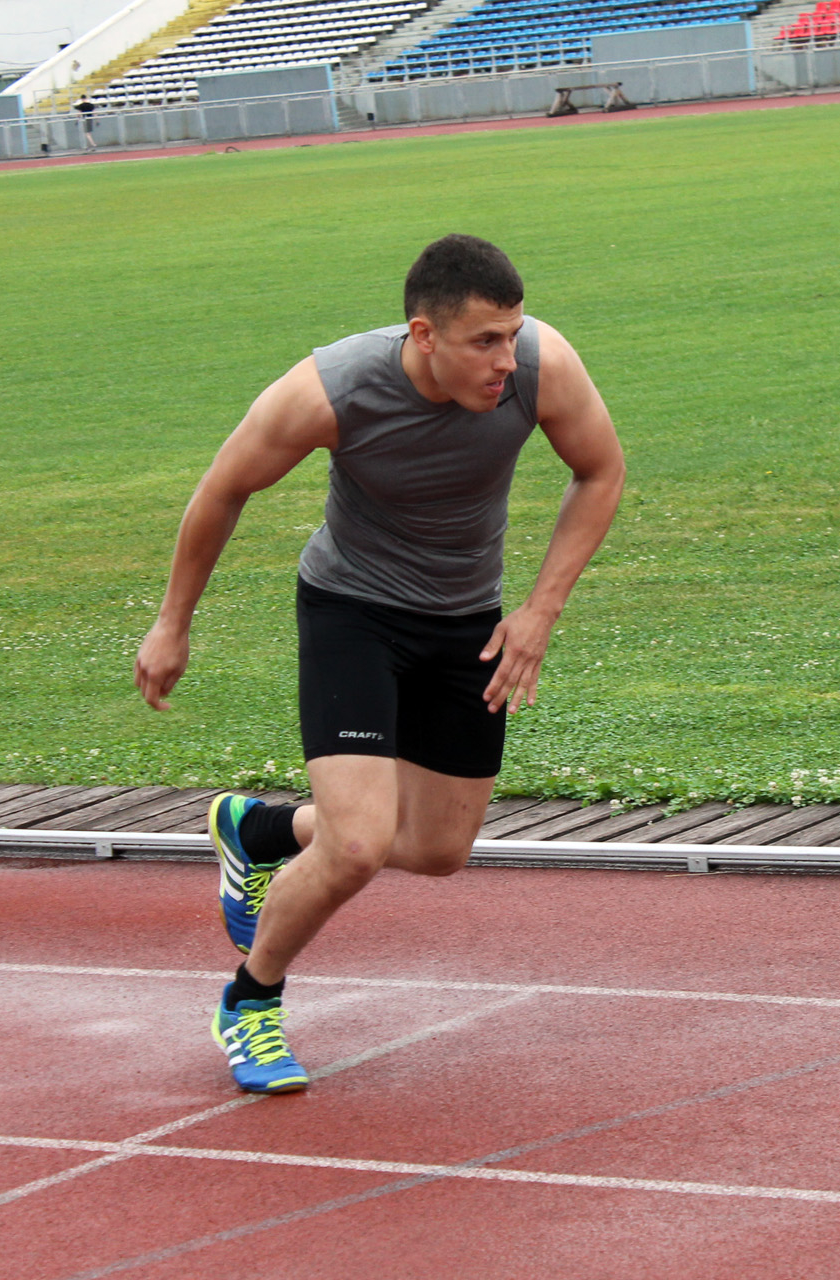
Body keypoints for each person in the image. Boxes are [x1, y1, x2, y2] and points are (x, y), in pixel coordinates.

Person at [133, 235, 625, 1092]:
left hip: (464, 621)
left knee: (437, 847)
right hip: (353, 611)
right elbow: (222, 488)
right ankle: (250, 1003)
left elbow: (601, 470)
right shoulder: (330, 390)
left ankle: (260, 833)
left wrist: (541, 609)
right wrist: (172, 624)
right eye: (485, 342)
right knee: (359, 842)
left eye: (512, 335)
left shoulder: (544, 364)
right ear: (424, 335)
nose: (506, 360)